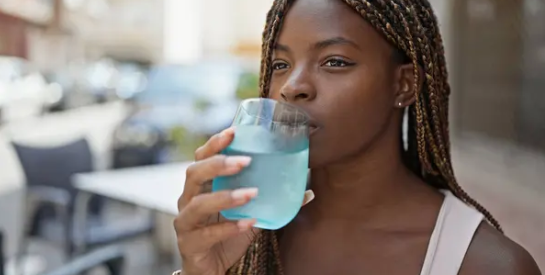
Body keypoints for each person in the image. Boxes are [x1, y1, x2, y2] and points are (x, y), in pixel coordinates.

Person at [173, 0, 542, 274]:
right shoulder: (249, 233)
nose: (292, 87)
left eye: (334, 61)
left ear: (404, 84)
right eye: (280, 65)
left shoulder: (486, 265)